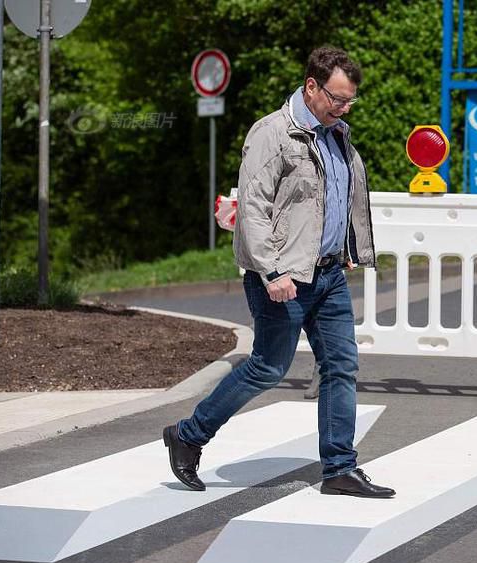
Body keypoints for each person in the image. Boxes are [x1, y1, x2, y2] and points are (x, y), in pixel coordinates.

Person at [163, 46, 395, 499]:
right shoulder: (272, 133)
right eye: (337, 98)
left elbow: (332, 197)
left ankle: (339, 468)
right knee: (268, 367)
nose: (345, 108)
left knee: (341, 366)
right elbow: (253, 208)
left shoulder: (336, 134)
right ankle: (188, 435)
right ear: (311, 86)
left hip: (327, 275)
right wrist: (272, 272)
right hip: (281, 278)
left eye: (350, 100)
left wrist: (344, 247)